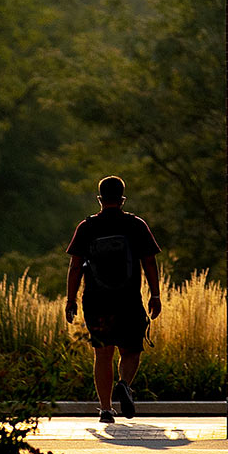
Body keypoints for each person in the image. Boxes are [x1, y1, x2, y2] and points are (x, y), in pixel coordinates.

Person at [65, 175, 162, 423]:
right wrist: (155, 294)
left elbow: (75, 267)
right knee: (131, 349)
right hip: (128, 300)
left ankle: (106, 409)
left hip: (96, 301)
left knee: (103, 353)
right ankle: (124, 384)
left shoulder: (86, 227)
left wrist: (71, 300)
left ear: (100, 199)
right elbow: (149, 261)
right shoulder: (136, 225)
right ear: (122, 199)